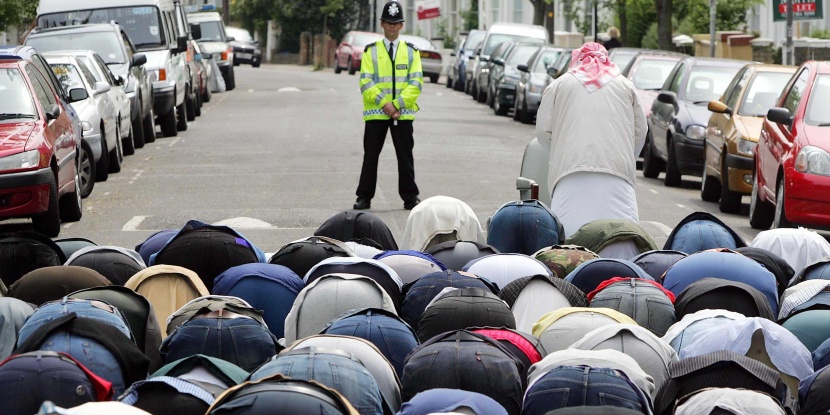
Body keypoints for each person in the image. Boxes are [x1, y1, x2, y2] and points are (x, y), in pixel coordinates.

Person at [535, 42, 647, 237]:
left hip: (568, 175)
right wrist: (626, 157)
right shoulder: (626, 87)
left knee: (568, 242)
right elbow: (640, 131)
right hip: (618, 177)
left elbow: (544, 132)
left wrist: (561, 153)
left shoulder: (559, 85)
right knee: (622, 238)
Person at [353, 0, 423, 211]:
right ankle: (364, 197)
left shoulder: (412, 51)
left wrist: (397, 104)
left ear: (401, 25)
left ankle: (410, 197)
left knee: (405, 156)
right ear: (382, 24)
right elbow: (366, 81)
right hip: (377, 113)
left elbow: (416, 82)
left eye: (396, 22)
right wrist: (386, 104)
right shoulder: (371, 51)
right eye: (389, 22)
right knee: (371, 155)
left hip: (402, 113)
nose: (392, 26)